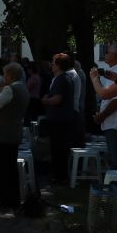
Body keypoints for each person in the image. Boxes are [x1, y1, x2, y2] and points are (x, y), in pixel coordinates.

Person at [0, 62, 29, 207]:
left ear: (10, 75)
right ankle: (13, 199)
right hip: (14, 133)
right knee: (10, 168)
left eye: (5, 74)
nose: (3, 77)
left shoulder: (9, 89)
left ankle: (4, 200)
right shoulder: (23, 88)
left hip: (2, 135)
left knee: (1, 169)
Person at [92, 45, 117, 175]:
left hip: (115, 122)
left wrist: (102, 115)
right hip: (112, 121)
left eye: (107, 52)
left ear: (115, 56)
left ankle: (116, 191)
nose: (105, 54)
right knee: (115, 157)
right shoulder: (114, 71)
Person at [42, 54, 78, 184]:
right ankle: (59, 175)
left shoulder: (62, 79)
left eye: (53, 63)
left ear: (58, 65)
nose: (51, 65)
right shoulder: (62, 78)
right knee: (58, 149)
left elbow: (57, 99)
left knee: (59, 149)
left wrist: (46, 100)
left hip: (60, 121)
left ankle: (59, 176)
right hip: (61, 120)